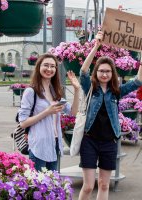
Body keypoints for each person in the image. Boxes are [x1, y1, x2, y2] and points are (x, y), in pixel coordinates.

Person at [78, 31, 142, 200]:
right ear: (96, 72)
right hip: (89, 141)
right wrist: (96, 45)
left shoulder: (116, 92)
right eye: (101, 71)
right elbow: (83, 71)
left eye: (108, 71)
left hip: (109, 142)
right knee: (88, 186)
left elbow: (138, 80)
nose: (104, 74)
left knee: (104, 184)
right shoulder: (90, 87)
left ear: (112, 73)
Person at [18, 53, 80, 172]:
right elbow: (23, 123)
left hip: (54, 143)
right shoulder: (31, 92)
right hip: (38, 145)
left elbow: (73, 112)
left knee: (53, 185)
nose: (49, 69)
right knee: (39, 186)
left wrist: (76, 90)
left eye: (53, 66)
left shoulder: (54, 91)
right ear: (38, 67)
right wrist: (47, 112)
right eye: (46, 65)